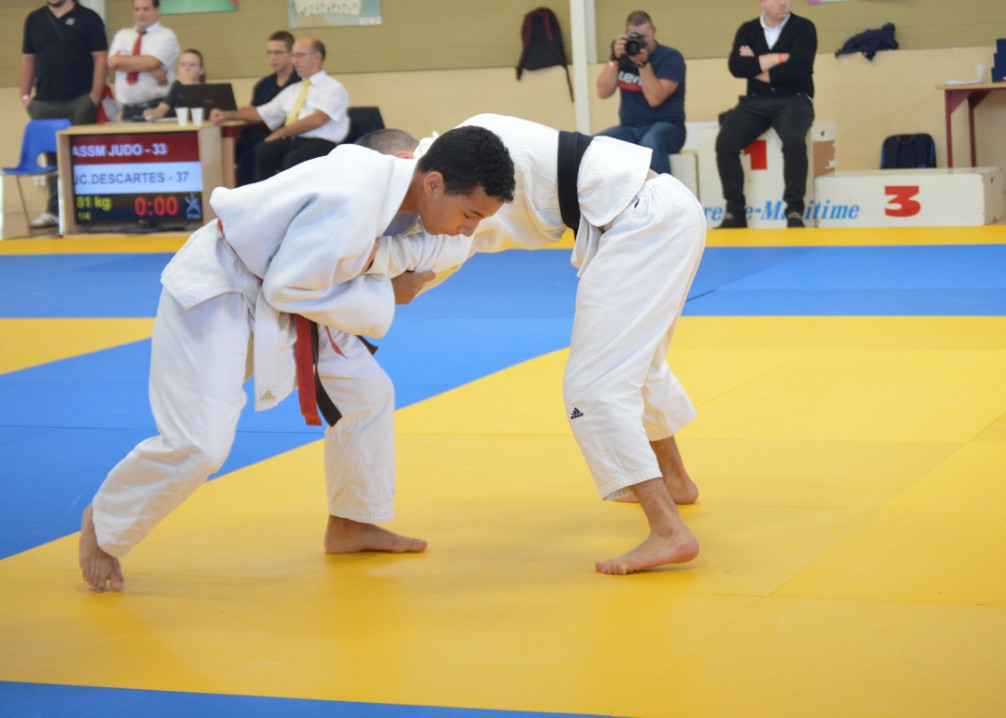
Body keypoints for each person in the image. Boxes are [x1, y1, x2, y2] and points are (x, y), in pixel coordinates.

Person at [77, 126, 517, 592]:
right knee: (200, 445)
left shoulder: (408, 190)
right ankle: (105, 524)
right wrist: (386, 293)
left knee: (367, 395)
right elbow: (287, 288)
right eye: (469, 214)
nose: (469, 228)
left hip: (298, 294)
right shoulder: (353, 198)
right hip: (223, 287)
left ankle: (352, 523)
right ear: (433, 183)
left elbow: (422, 250)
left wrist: (382, 272)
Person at [364, 115, 705, 576]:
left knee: (595, 387)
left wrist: (361, 266)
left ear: (410, 163)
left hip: (644, 222)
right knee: (636, 366)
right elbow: (439, 252)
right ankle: (676, 481)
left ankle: (669, 530)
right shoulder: (468, 154)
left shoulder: (466, 167)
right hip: (659, 213)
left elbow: (437, 251)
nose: (396, 213)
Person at [714, 0, 817, 229]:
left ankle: (794, 211)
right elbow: (736, 67)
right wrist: (781, 58)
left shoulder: (804, 27)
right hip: (755, 101)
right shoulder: (748, 30)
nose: (783, 3)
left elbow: (799, 68)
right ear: (762, 2)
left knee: (794, 141)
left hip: (795, 98)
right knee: (725, 143)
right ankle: (735, 213)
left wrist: (755, 64)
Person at [19, 0, 108, 230]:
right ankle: (53, 211)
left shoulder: (89, 18)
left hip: (80, 101)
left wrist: (94, 96)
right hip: (43, 102)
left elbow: (100, 58)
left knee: (82, 158)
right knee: (51, 160)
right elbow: (28, 59)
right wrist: (25, 95)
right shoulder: (34, 19)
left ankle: (87, 211)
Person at [209, 37, 348, 182]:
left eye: (299, 56)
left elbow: (317, 120)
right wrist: (226, 115)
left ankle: (293, 197)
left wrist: (281, 132)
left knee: (292, 161)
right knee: (263, 150)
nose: (294, 61)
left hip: (321, 143)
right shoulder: (293, 90)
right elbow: (262, 113)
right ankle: (268, 195)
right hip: (296, 140)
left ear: (316, 57)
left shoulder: (332, 88)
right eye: (293, 56)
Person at [595, 10, 686, 175]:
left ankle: (660, 190)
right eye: (635, 36)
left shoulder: (671, 58)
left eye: (644, 37)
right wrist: (614, 58)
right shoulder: (623, 57)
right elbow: (603, 92)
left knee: (649, 144)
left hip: (668, 128)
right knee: (595, 144)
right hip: (629, 128)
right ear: (626, 35)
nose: (640, 42)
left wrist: (642, 64)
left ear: (654, 32)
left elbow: (655, 98)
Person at [234, 31, 302, 186]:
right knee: (236, 146)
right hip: (257, 133)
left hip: (283, 135)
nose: (273, 57)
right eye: (269, 53)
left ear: (291, 54)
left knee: (250, 156)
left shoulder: (299, 83)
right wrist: (245, 112)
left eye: (278, 53)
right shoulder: (263, 84)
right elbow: (256, 112)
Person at [107, 0, 180, 120]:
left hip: (158, 107)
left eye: (145, 9)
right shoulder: (122, 35)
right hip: (129, 110)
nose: (140, 14)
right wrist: (150, 69)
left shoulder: (166, 35)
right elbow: (111, 63)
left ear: (157, 11)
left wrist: (122, 60)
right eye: (137, 9)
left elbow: (152, 62)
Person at [143, 48, 205, 120]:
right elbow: (162, 110)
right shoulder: (177, 85)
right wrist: (151, 113)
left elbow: (198, 113)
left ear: (201, 70)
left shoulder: (206, 90)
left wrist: (189, 86)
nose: (186, 69)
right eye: (182, 64)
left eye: (192, 65)